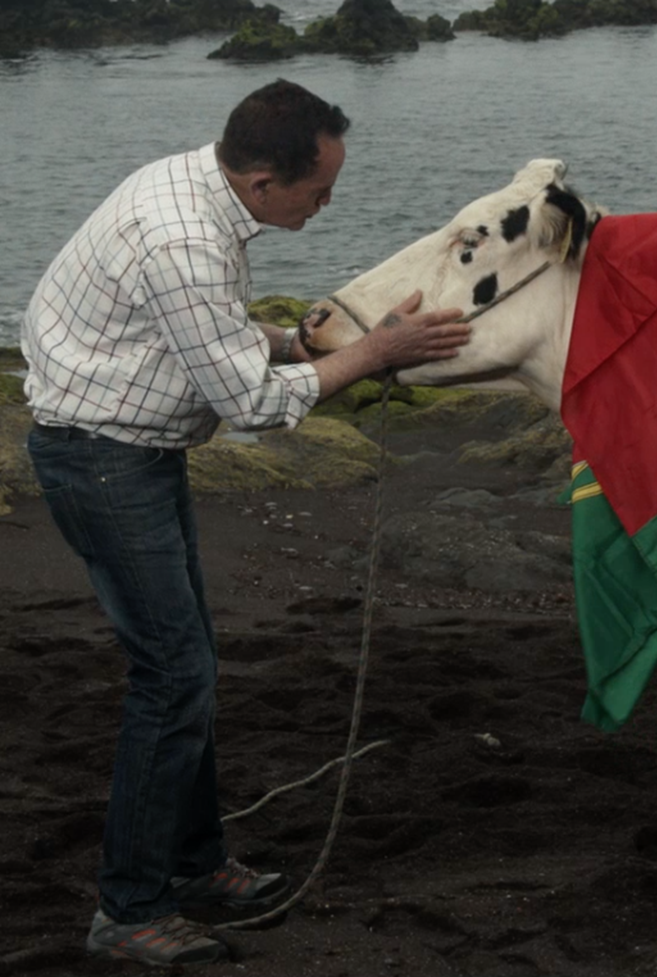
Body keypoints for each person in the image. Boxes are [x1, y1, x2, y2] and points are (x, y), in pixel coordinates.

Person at [20, 78, 469, 968]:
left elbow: (204, 334)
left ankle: (193, 866)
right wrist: (373, 353)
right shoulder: (184, 236)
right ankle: (128, 909)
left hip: (127, 447)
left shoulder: (195, 186)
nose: (327, 204)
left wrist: (297, 343)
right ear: (264, 181)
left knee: (184, 667)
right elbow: (252, 406)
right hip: (101, 457)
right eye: (319, 191)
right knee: (173, 674)